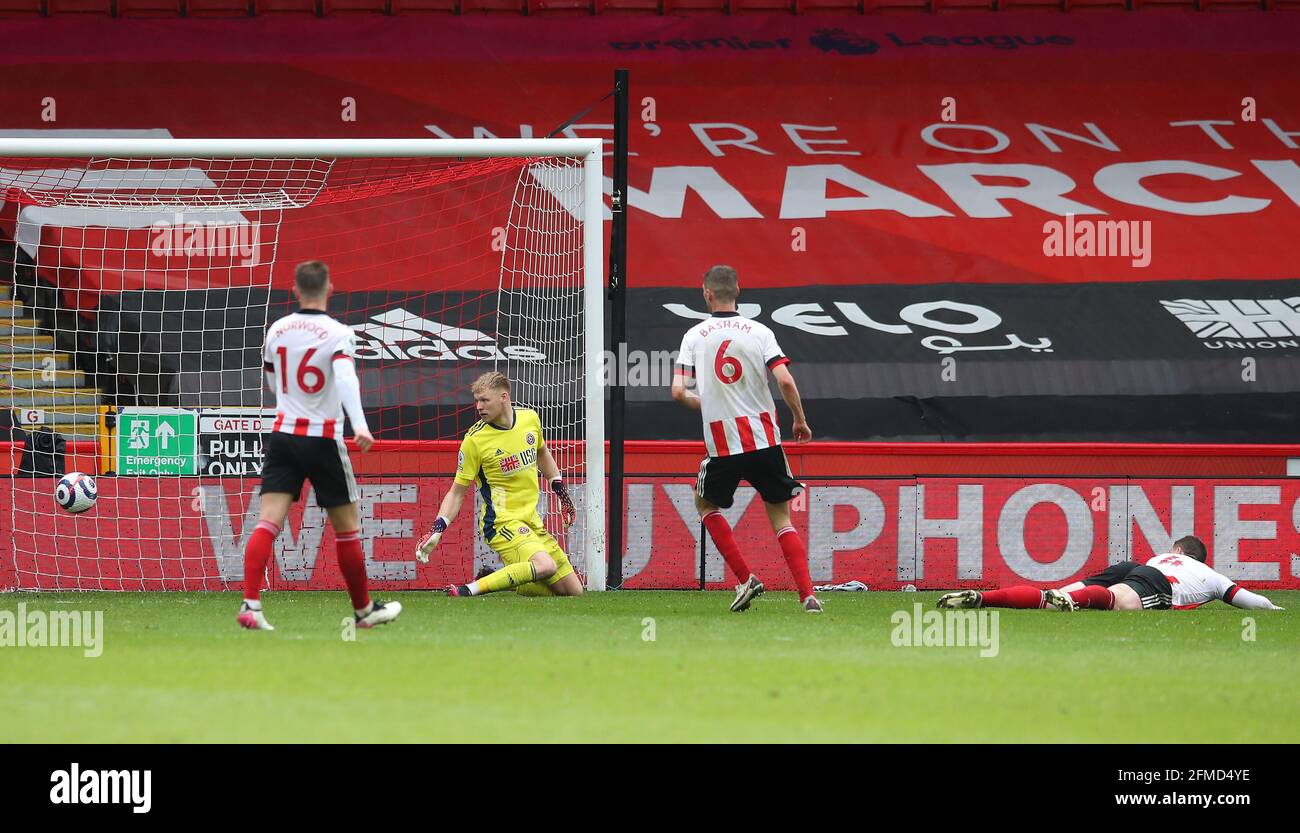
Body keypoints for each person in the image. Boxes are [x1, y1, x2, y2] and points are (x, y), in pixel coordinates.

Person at [237, 261, 401, 631]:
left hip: (282, 436)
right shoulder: (338, 332)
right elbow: (345, 378)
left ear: (295, 290)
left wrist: (291, 403)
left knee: (267, 522)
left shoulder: (277, 329)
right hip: (322, 437)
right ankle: (363, 611)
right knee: (347, 528)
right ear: (330, 288)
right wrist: (359, 425)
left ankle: (251, 604)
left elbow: (272, 382)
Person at [670, 265, 821, 613]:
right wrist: (800, 420)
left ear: (706, 293)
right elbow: (784, 380)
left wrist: (705, 404)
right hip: (765, 440)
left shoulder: (694, 335)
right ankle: (808, 595)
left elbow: (678, 391)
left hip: (723, 444)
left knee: (705, 505)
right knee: (781, 519)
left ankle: (745, 578)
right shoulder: (759, 331)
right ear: (738, 289)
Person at [415, 372, 582, 598]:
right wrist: (438, 527)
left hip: (531, 520)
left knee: (572, 591)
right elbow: (457, 492)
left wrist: (561, 493)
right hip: (501, 522)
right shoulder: (474, 440)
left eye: (485, 400)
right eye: (477, 401)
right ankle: (468, 590)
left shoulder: (529, 419)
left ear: (504, 397)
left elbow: (542, 452)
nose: (479, 407)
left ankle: (495, 578)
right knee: (546, 566)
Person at [937, 535, 1285, 612]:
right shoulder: (1210, 575)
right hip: (1156, 582)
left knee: (1055, 595)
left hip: (1136, 565)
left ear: (1177, 549)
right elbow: (1249, 600)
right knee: (1115, 601)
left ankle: (986, 597)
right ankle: (1071, 602)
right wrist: (1272, 608)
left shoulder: (1163, 555)